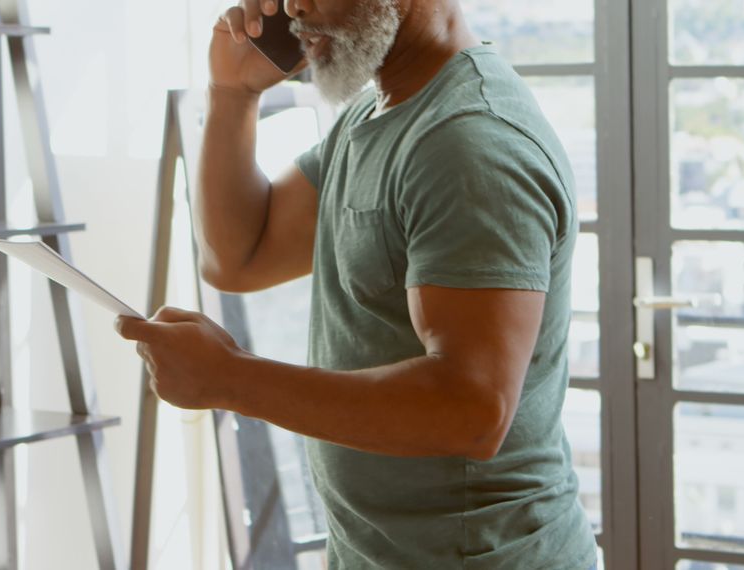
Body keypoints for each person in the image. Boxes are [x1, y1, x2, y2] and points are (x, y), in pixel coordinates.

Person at [115, 0, 598, 567]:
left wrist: (230, 379)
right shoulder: (380, 110)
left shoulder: (469, 143)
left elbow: (471, 409)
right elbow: (239, 257)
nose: (292, 6)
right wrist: (233, 94)